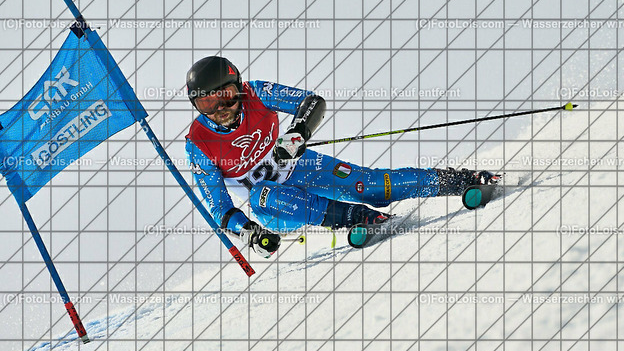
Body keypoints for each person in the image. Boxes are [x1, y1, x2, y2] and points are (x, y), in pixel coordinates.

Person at [185, 56, 498, 258]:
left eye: (225, 96)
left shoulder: (257, 92)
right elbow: (220, 208)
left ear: (238, 88)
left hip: (302, 166)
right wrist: (250, 233)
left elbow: (311, 103)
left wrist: (296, 135)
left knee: (371, 186)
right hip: (275, 209)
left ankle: (461, 181)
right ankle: (355, 217)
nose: (220, 109)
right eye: (207, 104)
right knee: (262, 194)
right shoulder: (199, 143)